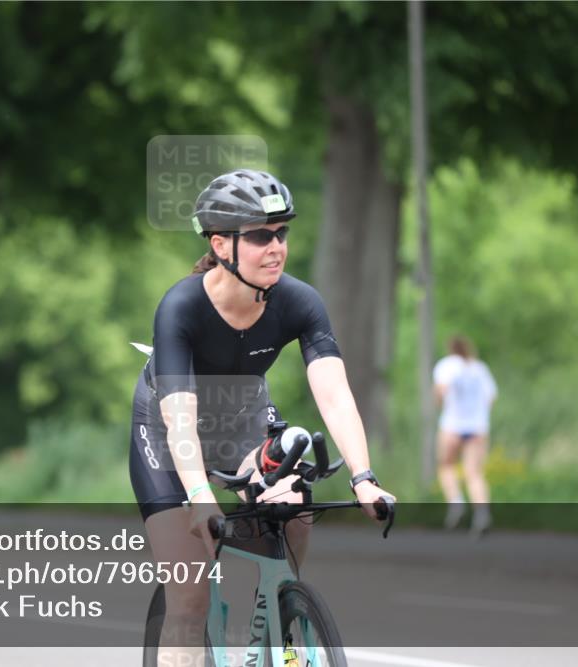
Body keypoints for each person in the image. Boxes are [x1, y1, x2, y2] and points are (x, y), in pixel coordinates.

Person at [128, 169, 395, 664]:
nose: (275, 247)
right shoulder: (181, 307)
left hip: (242, 420)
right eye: (258, 236)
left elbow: (334, 394)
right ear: (221, 245)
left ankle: (278, 616)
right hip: (168, 433)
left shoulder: (299, 301)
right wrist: (201, 495)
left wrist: (364, 477)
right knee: (189, 597)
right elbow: (179, 419)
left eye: (281, 233)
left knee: (293, 497)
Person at [433, 336, 497, 534]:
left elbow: (440, 391)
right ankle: (481, 513)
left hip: (452, 424)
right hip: (477, 426)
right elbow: (491, 397)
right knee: (474, 473)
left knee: (446, 466)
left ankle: (456, 501)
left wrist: (441, 406)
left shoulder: (446, 366)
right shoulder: (479, 368)